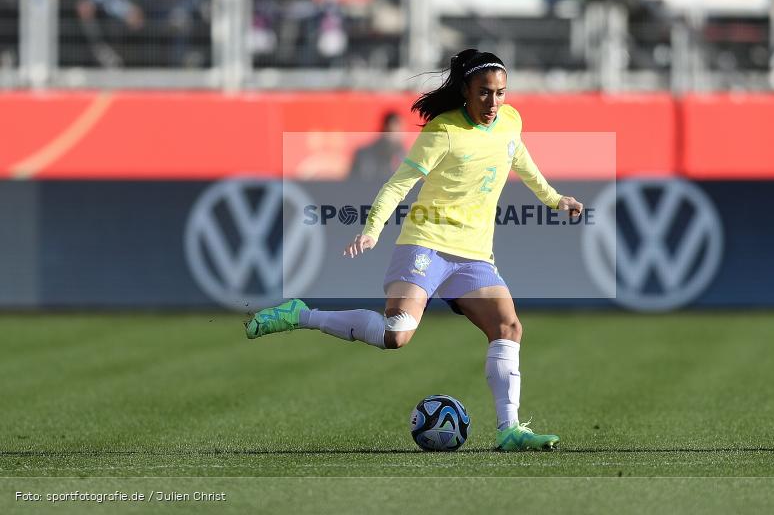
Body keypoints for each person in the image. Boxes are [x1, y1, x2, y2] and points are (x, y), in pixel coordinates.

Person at [245, 49, 584, 451]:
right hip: (426, 243)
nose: (493, 103)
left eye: (500, 93)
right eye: (484, 93)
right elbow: (398, 184)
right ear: (465, 91)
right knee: (396, 335)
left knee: (508, 327)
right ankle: (301, 314)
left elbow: (521, 161)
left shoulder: (510, 121)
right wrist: (373, 229)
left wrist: (554, 199)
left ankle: (509, 430)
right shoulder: (442, 131)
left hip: (474, 253)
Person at [348, 112, 406, 182]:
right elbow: (351, 184)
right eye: (391, 131)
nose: (396, 136)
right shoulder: (363, 155)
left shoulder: (407, 158)